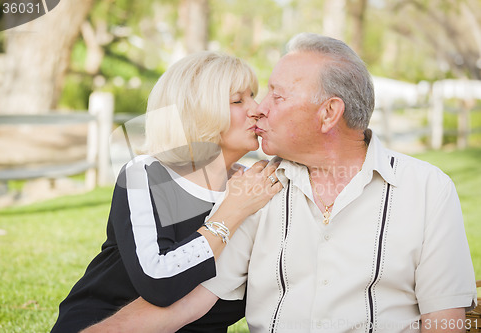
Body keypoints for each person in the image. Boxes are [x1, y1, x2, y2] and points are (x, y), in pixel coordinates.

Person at [82, 33, 478, 333]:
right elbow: (185, 303)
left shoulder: (427, 189)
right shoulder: (256, 189)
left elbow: (444, 319)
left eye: (275, 94)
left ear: (328, 114)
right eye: (246, 98)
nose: (260, 108)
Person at [50, 51, 282, 333]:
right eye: (237, 100)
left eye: (253, 96)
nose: (256, 108)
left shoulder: (255, 183)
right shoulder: (146, 174)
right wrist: (231, 212)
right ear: (198, 112)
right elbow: (158, 281)